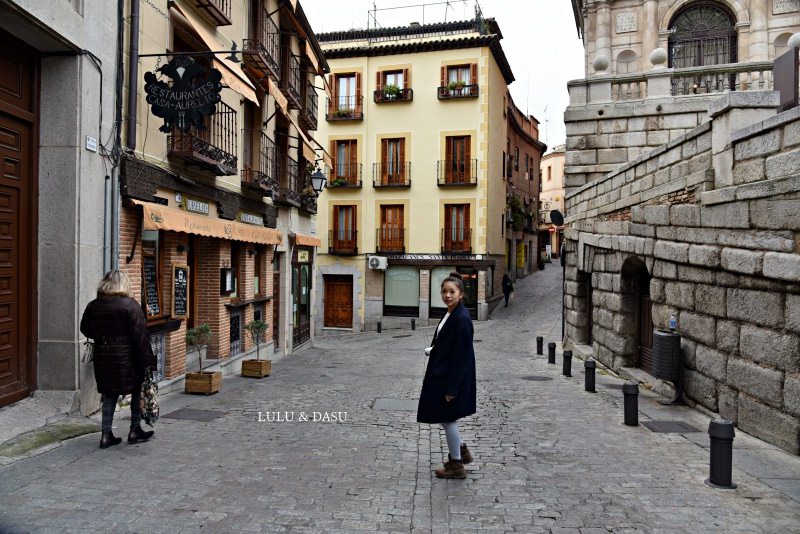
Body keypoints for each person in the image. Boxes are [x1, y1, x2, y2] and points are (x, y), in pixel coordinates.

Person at [80, 270, 157, 449]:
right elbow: (141, 337)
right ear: (124, 284)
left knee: (109, 393)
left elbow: (85, 329)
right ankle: (135, 430)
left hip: (103, 356)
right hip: (128, 358)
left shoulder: (94, 305)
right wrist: (148, 361)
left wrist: (102, 336)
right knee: (138, 390)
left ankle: (106, 435)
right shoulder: (130, 306)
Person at [417, 272, 477, 479]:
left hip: (450, 378)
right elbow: (446, 343)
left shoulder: (461, 319)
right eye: (444, 291)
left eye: (452, 292)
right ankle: (461, 451)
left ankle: (456, 464)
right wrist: (433, 349)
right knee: (446, 418)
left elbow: (461, 357)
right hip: (441, 374)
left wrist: (452, 388)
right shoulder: (450, 313)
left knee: (448, 419)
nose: (447, 295)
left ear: (461, 294)